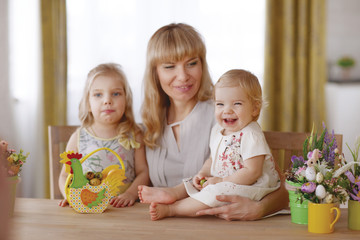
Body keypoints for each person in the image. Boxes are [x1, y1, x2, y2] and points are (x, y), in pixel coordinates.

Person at [140, 23, 288, 220]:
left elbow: (280, 186)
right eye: (169, 66)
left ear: (202, 64)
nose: (183, 76)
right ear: (155, 73)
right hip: (159, 225)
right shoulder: (149, 121)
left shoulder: (227, 114)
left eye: (192, 63)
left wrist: (258, 209)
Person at [58, 63, 150, 208]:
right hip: (88, 207)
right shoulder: (78, 138)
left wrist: (131, 194)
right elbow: (64, 176)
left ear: (126, 100)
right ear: (88, 103)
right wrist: (69, 195)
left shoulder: (134, 135)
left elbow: (143, 172)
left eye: (116, 93)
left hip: (125, 209)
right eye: (98, 95)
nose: (107, 100)